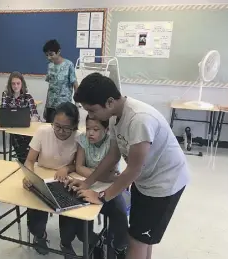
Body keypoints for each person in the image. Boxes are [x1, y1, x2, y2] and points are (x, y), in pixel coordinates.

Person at [69, 73, 189, 259]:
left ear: (109, 102)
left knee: (137, 241)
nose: (91, 116)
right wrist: (88, 183)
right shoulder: (114, 116)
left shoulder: (139, 120)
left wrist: (101, 197)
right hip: (145, 181)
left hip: (164, 184)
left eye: (92, 111)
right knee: (140, 238)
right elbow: (113, 154)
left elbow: (133, 169)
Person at [22, 102, 81, 258]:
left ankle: (66, 243)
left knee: (69, 213)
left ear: (74, 126)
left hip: (65, 181)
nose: (61, 131)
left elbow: (78, 165)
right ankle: (39, 236)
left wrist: (66, 168)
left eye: (66, 128)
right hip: (42, 178)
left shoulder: (79, 137)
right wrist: (28, 175)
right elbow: (29, 160)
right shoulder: (43, 132)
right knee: (36, 214)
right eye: (57, 126)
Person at [75, 115, 128, 259]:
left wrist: (104, 176)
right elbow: (79, 167)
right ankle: (96, 242)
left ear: (106, 129)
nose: (90, 133)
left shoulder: (112, 142)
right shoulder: (82, 139)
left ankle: (119, 246)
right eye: (88, 129)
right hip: (89, 183)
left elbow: (112, 174)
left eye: (96, 129)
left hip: (110, 187)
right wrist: (103, 175)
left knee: (120, 211)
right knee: (80, 214)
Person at [1, 71, 40, 163]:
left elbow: (35, 115)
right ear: (10, 85)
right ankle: (24, 161)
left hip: (27, 129)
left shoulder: (28, 96)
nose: (16, 86)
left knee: (29, 144)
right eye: (13, 84)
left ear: (22, 84)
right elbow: (3, 112)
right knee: (18, 143)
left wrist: (29, 120)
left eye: (18, 83)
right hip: (14, 130)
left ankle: (28, 160)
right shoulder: (6, 95)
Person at [43, 39, 78, 123]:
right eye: (47, 55)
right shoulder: (50, 66)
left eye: (51, 54)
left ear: (58, 52)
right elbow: (50, 87)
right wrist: (45, 106)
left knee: (62, 128)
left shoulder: (69, 64)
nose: (49, 57)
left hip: (64, 105)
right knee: (49, 130)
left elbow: (75, 84)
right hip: (51, 106)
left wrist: (77, 104)